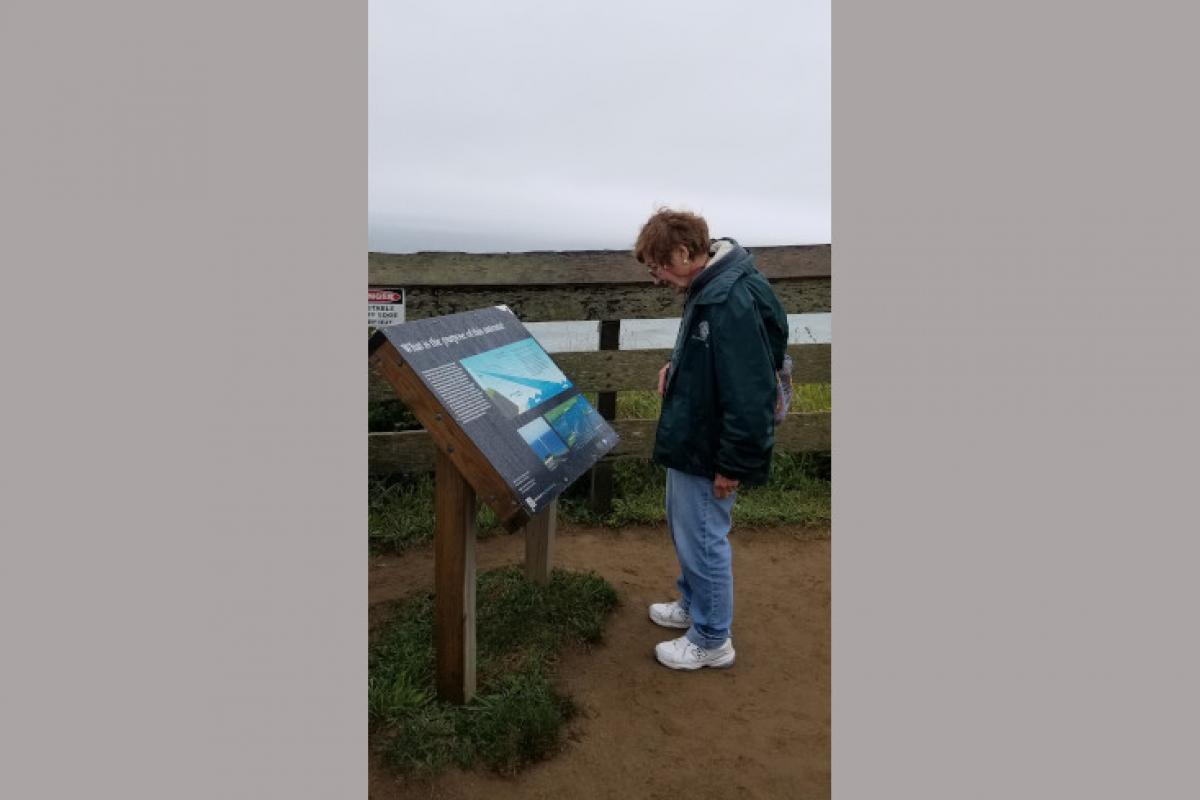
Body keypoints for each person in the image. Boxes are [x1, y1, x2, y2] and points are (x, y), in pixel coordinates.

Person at [633, 208, 788, 670]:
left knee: (703, 534)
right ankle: (693, 604)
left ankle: (711, 637)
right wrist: (676, 365)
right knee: (687, 526)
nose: (657, 276)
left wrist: (732, 464)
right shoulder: (713, 284)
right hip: (697, 432)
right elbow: (716, 352)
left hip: (711, 445)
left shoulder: (728, 298)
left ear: (684, 252)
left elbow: (749, 391)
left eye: (658, 264)